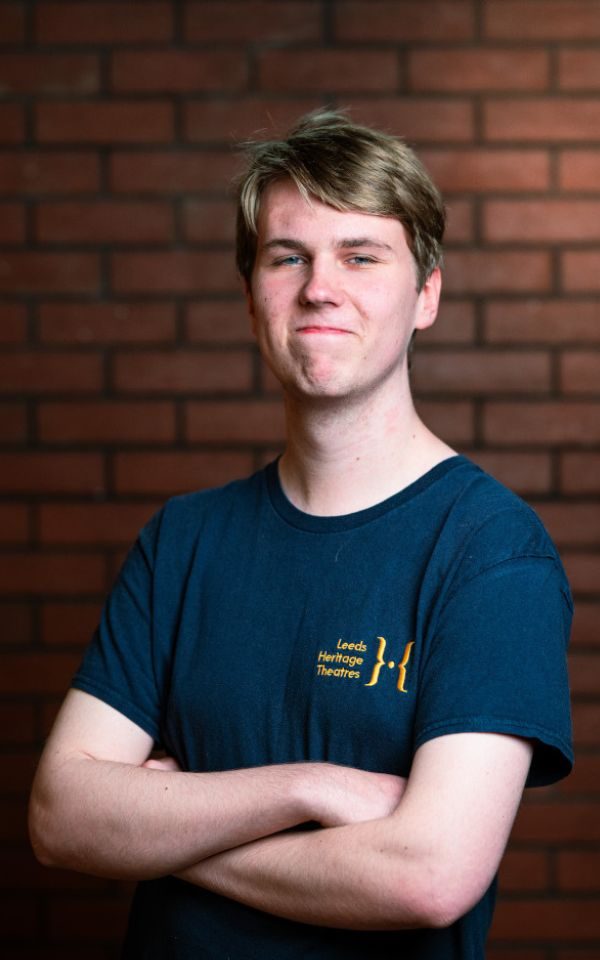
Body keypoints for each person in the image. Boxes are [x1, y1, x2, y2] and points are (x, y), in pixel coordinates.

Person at [29, 110, 573, 959]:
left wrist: (169, 830)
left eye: (361, 255)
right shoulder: (183, 540)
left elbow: (427, 875)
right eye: (289, 257)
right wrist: (309, 788)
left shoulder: (491, 552)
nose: (321, 287)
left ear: (426, 295)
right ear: (252, 298)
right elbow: (60, 817)